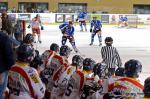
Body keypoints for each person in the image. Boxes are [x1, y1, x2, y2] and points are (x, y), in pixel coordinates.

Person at [0, 31, 15, 99]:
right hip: (1, 71)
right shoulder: (3, 37)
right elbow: (9, 56)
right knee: (1, 91)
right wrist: (10, 68)